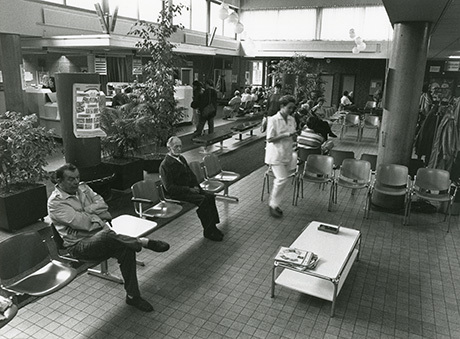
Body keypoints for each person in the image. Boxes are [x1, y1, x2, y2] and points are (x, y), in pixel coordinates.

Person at [48, 163, 170, 312]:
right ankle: (142, 242)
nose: (76, 182)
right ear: (59, 181)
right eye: (70, 179)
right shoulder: (55, 202)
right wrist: (96, 216)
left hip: (102, 236)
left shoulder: (83, 188)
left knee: (126, 249)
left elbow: (103, 205)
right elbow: (81, 223)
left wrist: (86, 211)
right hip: (78, 246)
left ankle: (133, 297)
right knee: (107, 234)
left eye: (77, 178)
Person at [160, 136, 224, 241]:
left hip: (189, 189)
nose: (179, 149)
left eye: (180, 146)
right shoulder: (165, 165)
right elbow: (169, 188)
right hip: (179, 192)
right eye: (176, 147)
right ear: (169, 148)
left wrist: (198, 188)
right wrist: (189, 189)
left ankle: (213, 226)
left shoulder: (181, 158)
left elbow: (191, 175)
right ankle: (208, 231)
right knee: (202, 200)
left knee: (210, 197)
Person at [265, 95, 298, 218]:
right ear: (282, 106)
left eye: (293, 108)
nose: (291, 110)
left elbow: (292, 135)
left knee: (283, 180)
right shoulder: (273, 120)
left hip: (287, 152)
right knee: (281, 179)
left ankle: (275, 204)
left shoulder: (292, 119)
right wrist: (287, 134)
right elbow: (270, 139)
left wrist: (294, 137)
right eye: (289, 107)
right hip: (275, 154)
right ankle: (273, 205)